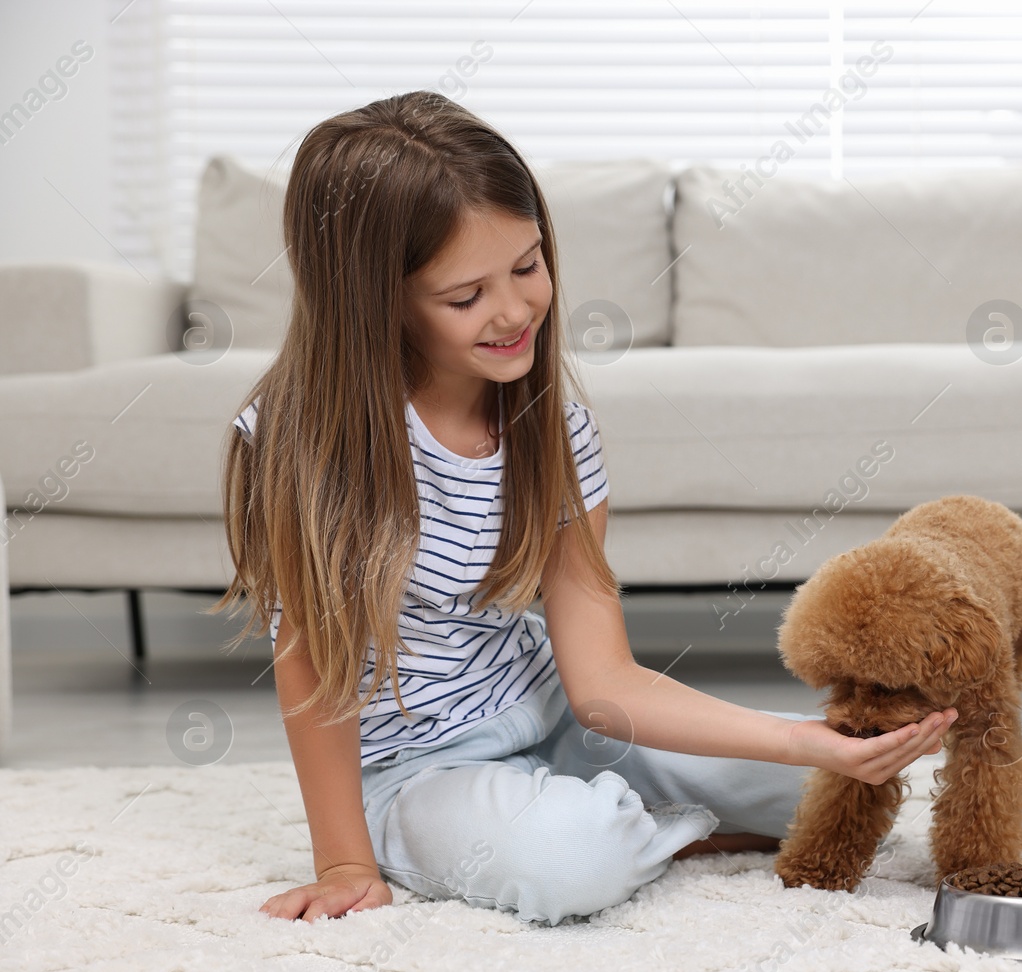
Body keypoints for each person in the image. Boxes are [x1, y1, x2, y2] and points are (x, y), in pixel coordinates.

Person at [213, 90, 957, 927]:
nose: (515, 309)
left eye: (528, 266)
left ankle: (602, 808)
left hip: (558, 713)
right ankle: (601, 823)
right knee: (571, 863)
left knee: (833, 781)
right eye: (465, 297)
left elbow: (603, 681)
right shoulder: (300, 436)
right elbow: (310, 666)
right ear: (373, 301)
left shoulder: (552, 426)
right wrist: (345, 858)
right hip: (415, 769)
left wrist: (804, 742)